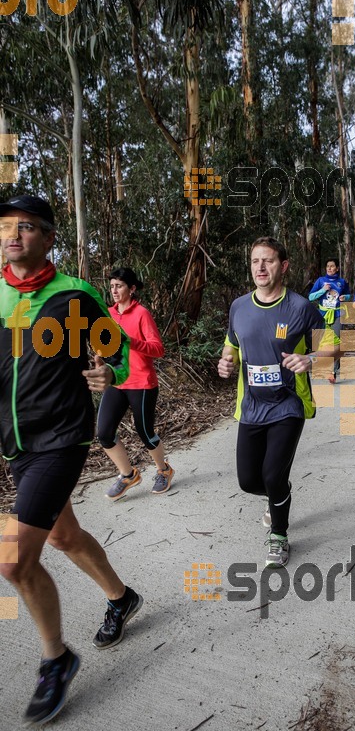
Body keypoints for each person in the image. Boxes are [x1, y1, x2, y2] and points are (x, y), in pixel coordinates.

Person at [0, 195, 142, 727]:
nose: (14, 234)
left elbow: (120, 351)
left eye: (27, 227)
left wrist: (107, 373)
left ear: (49, 238)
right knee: (61, 536)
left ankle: (57, 659)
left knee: (13, 560)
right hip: (16, 444)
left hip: (62, 438)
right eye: (6, 226)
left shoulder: (75, 295)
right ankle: (121, 597)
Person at [217, 237, 334, 568]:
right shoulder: (239, 306)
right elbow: (231, 345)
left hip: (288, 404)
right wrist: (227, 362)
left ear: (283, 266)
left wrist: (311, 359)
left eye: (267, 261)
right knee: (248, 481)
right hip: (251, 407)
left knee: (271, 474)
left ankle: (279, 536)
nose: (260, 267)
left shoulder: (299, 308)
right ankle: (278, 493)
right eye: (255, 261)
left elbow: (336, 345)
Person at [97, 267, 173, 500]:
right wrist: (100, 356)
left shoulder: (142, 314)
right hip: (117, 381)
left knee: (145, 432)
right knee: (104, 432)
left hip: (142, 382)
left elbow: (158, 349)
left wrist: (131, 341)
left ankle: (164, 470)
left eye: (119, 286)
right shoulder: (108, 313)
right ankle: (128, 474)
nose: (114, 290)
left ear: (132, 288)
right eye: (111, 286)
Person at [308, 258, 350, 384]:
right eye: (328, 266)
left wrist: (344, 297)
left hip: (337, 313)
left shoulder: (341, 282)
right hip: (322, 315)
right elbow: (310, 297)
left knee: (336, 342)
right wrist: (323, 290)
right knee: (323, 343)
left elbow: (348, 295)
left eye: (332, 266)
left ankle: (332, 371)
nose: (330, 268)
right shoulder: (321, 281)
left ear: (337, 268)